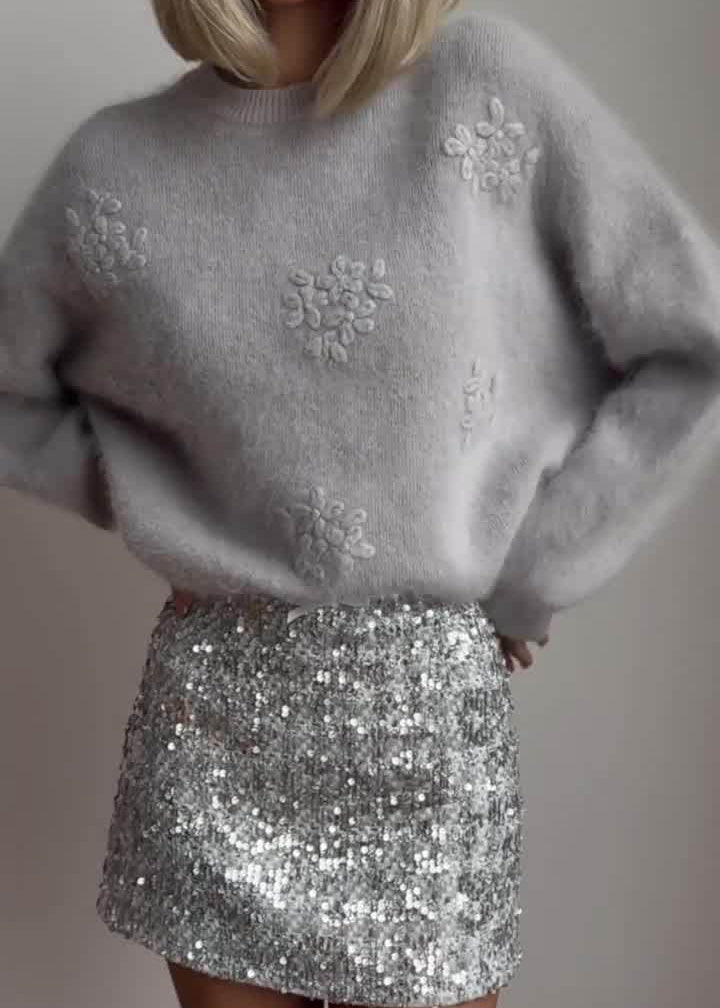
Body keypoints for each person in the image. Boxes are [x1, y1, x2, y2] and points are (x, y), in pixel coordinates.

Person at [2, 0, 720, 1005]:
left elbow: (690, 344)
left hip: (429, 734)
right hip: (213, 730)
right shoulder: (116, 165)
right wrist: (158, 498)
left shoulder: (481, 86)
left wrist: (536, 568)